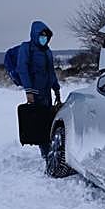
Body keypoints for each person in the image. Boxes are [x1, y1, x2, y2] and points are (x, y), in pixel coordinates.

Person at [17, 20, 61, 162]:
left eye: (46, 36)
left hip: (46, 92)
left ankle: (49, 149)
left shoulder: (47, 52)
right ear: (35, 35)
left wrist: (56, 89)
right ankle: (46, 153)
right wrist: (29, 91)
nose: (44, 38)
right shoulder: (26, 48)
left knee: (49, 121)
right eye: (41, 35)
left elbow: (51, 72)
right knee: (41, 123)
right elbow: (22, 69)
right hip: (35, 93)